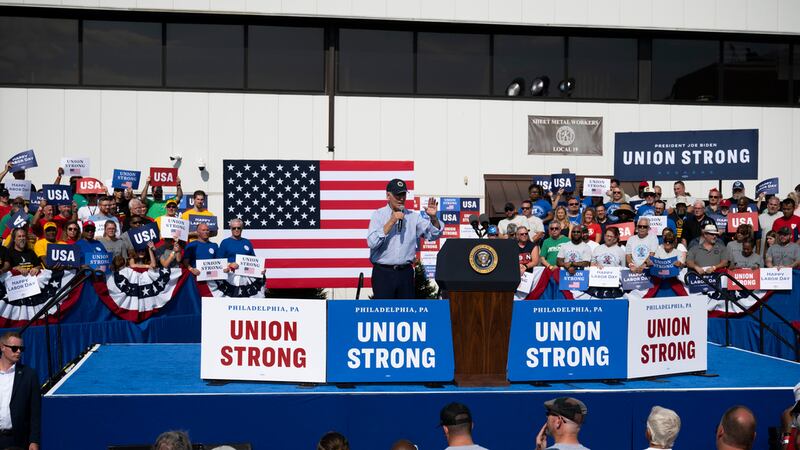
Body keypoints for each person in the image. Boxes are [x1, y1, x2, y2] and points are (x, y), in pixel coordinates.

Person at [367, 179, 442, 299]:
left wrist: (433, 218)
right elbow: (372, 243)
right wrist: (391, 221)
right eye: (397, 195)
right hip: (383, 273)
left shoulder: (413, 217)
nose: (401, 198)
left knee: (406, 312)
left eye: (403, 194)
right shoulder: (378, 215)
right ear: (388, 195)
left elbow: (433, 235)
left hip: (405, 273)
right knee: (383, 313)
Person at [0, 332, 40, 450]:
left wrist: (34, 441)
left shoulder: (29, 375)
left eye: (21, 349)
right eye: (14, 348)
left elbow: (35, 412)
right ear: (2, 347)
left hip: (16, 440)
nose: (18, 351)